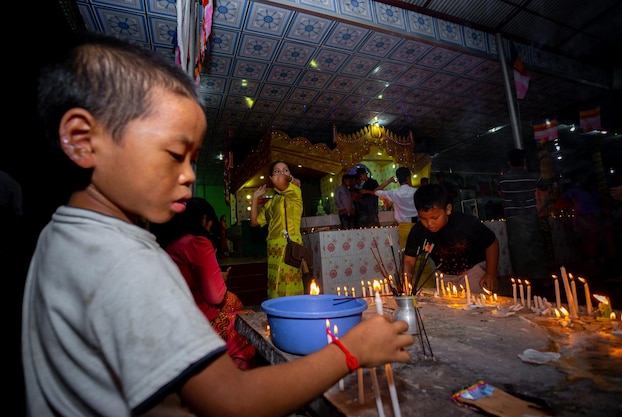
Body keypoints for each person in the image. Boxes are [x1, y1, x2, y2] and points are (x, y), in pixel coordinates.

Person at [21, 33, 413, 417]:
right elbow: (232, 400)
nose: (190, 176)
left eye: (193, 159)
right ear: (83, 139)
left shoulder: (62, 235)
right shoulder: (128, 261)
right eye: (175, 154)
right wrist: (352, 350)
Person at [152, 197, 257, 370]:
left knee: (233, 301)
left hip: (175, 315)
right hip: (198, 320)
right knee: (248, 321)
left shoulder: (169, 243)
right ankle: (235, 373)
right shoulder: (197, 242)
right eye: (210, 223)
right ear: (203, 219)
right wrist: (221, 278)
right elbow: (215, 296)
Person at [403, 184, 499, 293]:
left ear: (448, 209)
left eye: (434, 218)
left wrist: (491, 273)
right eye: (423, 218)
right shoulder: (418, 231)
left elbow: (492, 243)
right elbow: (409, 260)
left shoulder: (466, 224)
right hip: (444, 276)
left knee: (478, 306)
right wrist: (407, 280)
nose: (429, 223)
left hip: (473, 272)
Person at [250, 161, 308, 298]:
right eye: (277, 171)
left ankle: (294, 316)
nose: (282, 173)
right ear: (270, 178)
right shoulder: (270, 203)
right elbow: (254, 222)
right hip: (273, 246)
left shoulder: (294, 192)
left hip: (290, 245)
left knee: (289, 284)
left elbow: (281, 180)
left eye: (285, 170)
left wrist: (292, 180)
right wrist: (255, 198)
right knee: (274, 285)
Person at [496, 149, 549, 282]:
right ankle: (540, 278)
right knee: (536, 247)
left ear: (509, 163)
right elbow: (546, 191)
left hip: (513, 218)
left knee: (518, 249)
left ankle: (522, 280)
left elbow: (500, 194)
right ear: (524, 161)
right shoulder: (535, 177)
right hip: (531, 216)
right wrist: (537, 209)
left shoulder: (501, 180)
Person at [366, 167, 417, 249]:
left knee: (406, 253)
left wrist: (389, 181)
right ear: (408, 178)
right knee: (419, 253)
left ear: (398, 180)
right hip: (417, 226)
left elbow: (376, 191)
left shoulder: (395, 193)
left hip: (403, 227)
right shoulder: (416, 192)